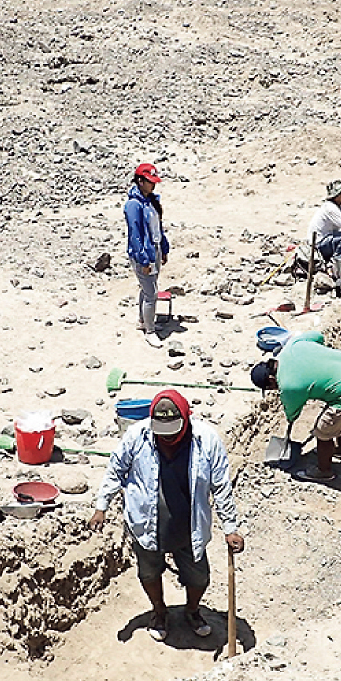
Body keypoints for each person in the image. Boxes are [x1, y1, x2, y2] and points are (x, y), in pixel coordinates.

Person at [89, 390, 244, 641]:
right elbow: (115, 470)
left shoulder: (207, 440)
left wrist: (231, 527)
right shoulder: (137, 436)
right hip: (146, 523)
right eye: (162, 431)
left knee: (199, 577)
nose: (168, 437)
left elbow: (221, 486)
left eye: (174, 430)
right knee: (149, 573)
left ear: (186, 418)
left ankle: (191, 611)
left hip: (188, 527)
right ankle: (159, 611)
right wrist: (101, 506)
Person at [249, 330, 341, 483]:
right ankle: (340, 449)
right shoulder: (293, 345)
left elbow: (292, 413)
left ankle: (323, 471)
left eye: (270, 388)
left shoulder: (288, 385)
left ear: (270, 379)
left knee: (323, 432)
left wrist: (290, 419)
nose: (274, 390)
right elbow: (318, 337)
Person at [124, 162, 171, 349]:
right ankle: (150, 332)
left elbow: (158, 227)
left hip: (155, 249)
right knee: (151, 292)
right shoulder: (133, 205)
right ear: (140, 181)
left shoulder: (150, 201)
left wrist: (164, 249)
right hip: (144, 254)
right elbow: (135, 234)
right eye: (150, 181)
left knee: (148, 288)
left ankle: (144, 321)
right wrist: (143, 259)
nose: (154, 185)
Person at [304, 179, 341, 262]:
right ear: (337, 195)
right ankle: (336, 261)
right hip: (319, 243)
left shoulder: (340, 207)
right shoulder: (330, 208)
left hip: (328, 238)